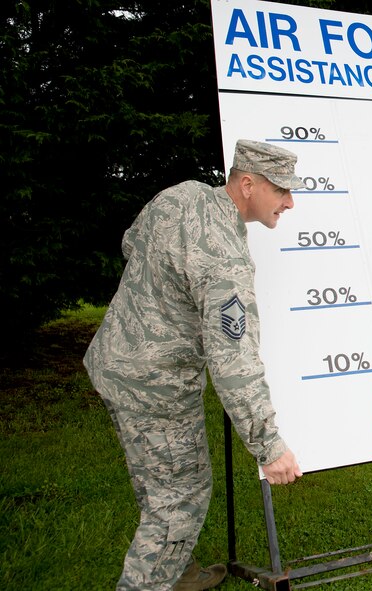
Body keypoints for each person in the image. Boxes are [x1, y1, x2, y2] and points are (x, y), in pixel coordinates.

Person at [84, 139, 306, 591]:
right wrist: (269, 447)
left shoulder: (182, 195)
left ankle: (179, 572)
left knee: (159, 483)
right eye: (282, 190)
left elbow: (132, 242)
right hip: (155, 386)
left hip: (114, 364)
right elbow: (233, 361)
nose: (290, 201)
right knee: (180, 498)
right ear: (248, 184)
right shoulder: (222, 256)